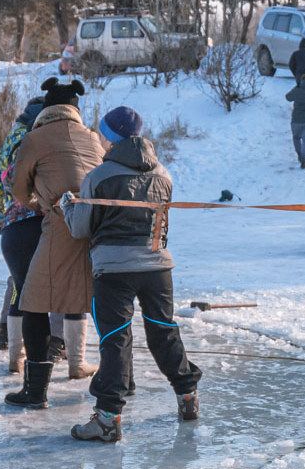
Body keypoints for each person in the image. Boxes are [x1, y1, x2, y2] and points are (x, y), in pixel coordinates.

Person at [63, 106, 202, 442]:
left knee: (116, 340)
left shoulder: (99, 176)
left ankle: (108, 419)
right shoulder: (163, 174)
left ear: (110, 138)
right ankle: (187, 397)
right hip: (157, 266)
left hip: (114, 270)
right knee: (164, 331)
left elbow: (81, 228)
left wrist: (70, 205)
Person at [4, 78, 104, 408]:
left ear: (47, 108)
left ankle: (35, 391)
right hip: (99, 228)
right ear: (76, 109)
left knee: (33, 302)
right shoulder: (92, 137)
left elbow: (18, 190)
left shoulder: (35, 138)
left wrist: (37, 204)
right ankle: (119, 379)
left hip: (61, 225)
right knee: (93, 299)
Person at [0, 92, 45, 372]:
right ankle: (48, 344)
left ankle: (6, 336)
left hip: (14, 220)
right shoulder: (37, 137)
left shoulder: (16, 133)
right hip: (34, 215)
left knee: (18, 280)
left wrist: (0, 218)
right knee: (33, 282)